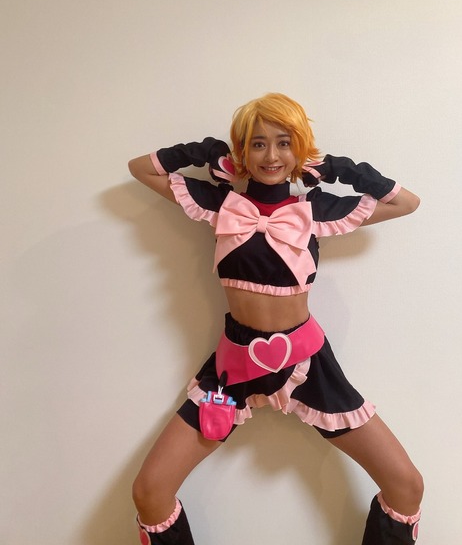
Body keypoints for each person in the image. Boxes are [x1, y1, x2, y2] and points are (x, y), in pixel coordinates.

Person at [128, 93, 423, 545]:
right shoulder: (221, 204)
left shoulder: (314, 209)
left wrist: (339, 168)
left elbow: (406, 203)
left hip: (308, 366)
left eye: (284, 143)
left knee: (406, 485)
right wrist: (205, 152)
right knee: (149, 491)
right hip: (232, 371)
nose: (271, 155)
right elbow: (141, 169)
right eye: (258, 143)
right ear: (242, 152)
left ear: (299, 149)